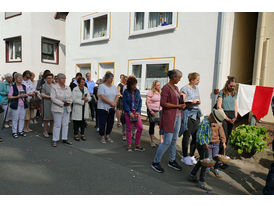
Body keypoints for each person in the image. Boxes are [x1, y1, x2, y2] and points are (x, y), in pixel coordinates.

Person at [151, 69, 185, 173]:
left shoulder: (176, 87)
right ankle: (155, 162)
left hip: (177, 116)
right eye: (179, 77)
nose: (179, 79)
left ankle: (172, 160)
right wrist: (178, 105)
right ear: (173, 77)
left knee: (174, 140)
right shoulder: (166, 88)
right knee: (167, 141)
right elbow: (163, 103)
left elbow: (177, 100)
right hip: (169, 117)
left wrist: (182, 102)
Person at [189, 109, 227, 191]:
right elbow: (199, 135)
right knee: (205, 162)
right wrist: (205, 144)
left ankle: (192, 174)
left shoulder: (208, 122)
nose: (216, 123)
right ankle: (201, 180)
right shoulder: (205, 123)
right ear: (213, 117)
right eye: (216, 121)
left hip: (204, 144)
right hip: (202, 144)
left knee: (202, 160)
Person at [179, 72, 202, 166]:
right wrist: (190, 102)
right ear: (192, 80)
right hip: (188, 114)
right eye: (197, 79)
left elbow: (199, 100)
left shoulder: (196, 88)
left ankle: (191, 155)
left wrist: (197, 102)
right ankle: (185, 157)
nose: (199, 81)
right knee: (187, 135)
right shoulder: (184, 89)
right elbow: (181, 101)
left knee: (196, 136)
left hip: (196, 113)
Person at [217, 76, 238, 157]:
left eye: (234, 86)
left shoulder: (235, 93)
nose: (232, 87)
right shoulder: (222, 92)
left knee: (228, 136)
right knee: (223, 136)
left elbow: (235, 105)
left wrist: (235, 116)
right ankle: (219, 157)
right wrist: (227, 118)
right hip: (224, 115)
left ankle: (222, 156)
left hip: (232, 115)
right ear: (227, 84)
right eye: (231, 86)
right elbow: (219, 106)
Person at [50, 73, 73, 147]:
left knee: (66, 124)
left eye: (65, 78)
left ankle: (64, 138)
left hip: (67, 108)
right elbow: (53, 98)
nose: (64, 79)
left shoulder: (68, 87)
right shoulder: (54, 87)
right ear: (58, 79)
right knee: (57, 124)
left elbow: (71, 97)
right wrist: (62, 103)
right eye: (62, 78)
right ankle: (55, 139)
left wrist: (69, 102)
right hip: (58, 108)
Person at [123, 75, 144, 152]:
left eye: (135, 84)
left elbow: (140, 102)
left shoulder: (137, 91)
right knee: (129, 129)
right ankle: (129, 145)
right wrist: (129, 112)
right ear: (129, 85)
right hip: (128, 113)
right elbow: (124, 103)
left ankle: (137, 145)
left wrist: (138, 112)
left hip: (136, 113)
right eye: (133, 84)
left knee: (140, 128)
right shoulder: (126, 92)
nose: (135, 86)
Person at [97, 72, 119, 144]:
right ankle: (102, 137)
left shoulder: (114, 87)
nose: (112, 79)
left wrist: (114, 103)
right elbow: (102, 97)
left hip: (111, 107)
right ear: (107, 78)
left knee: (110, 122)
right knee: (102, 122)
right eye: (110, 78)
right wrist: (111, 103)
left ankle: (108, 136)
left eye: (112, 78)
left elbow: (117, 95)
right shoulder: (102, 86)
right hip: (102, 108)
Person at [8, 73, 29, 138]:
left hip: (23, 104)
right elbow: (9, 97)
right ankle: (14, 132)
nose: (20, 79)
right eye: (19, 78)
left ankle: (20, 131)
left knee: (22, 118)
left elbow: (26, 94)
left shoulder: (24, 86)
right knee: (15, 119)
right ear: (15, 79)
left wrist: (26, 95)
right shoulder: (13, 86)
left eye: (21, 78)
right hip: (15, 105)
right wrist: (17, 96)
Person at [146, 80, 164, 147]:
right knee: (152, 125)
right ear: (154, 86)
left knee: (161, 126)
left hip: (160, 110)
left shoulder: (160, 92)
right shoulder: (150, 92)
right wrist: (150, 111)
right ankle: (152, 141)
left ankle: (161, 141)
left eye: (160, 85)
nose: (159, 86)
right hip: (153, 110)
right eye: (158, 85)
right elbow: (147, 102)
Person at [40, 73, 54, 137]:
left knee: (52, 118)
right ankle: (45, 131)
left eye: (51, 78)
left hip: (54, 103)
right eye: (48, 78)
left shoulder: (54, 85)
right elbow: (42, 94)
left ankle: (51, 130)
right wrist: (50, 97)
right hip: (46, 103)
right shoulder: (44, 85)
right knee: (46, 118)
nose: (50, 79)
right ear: (46, 79)